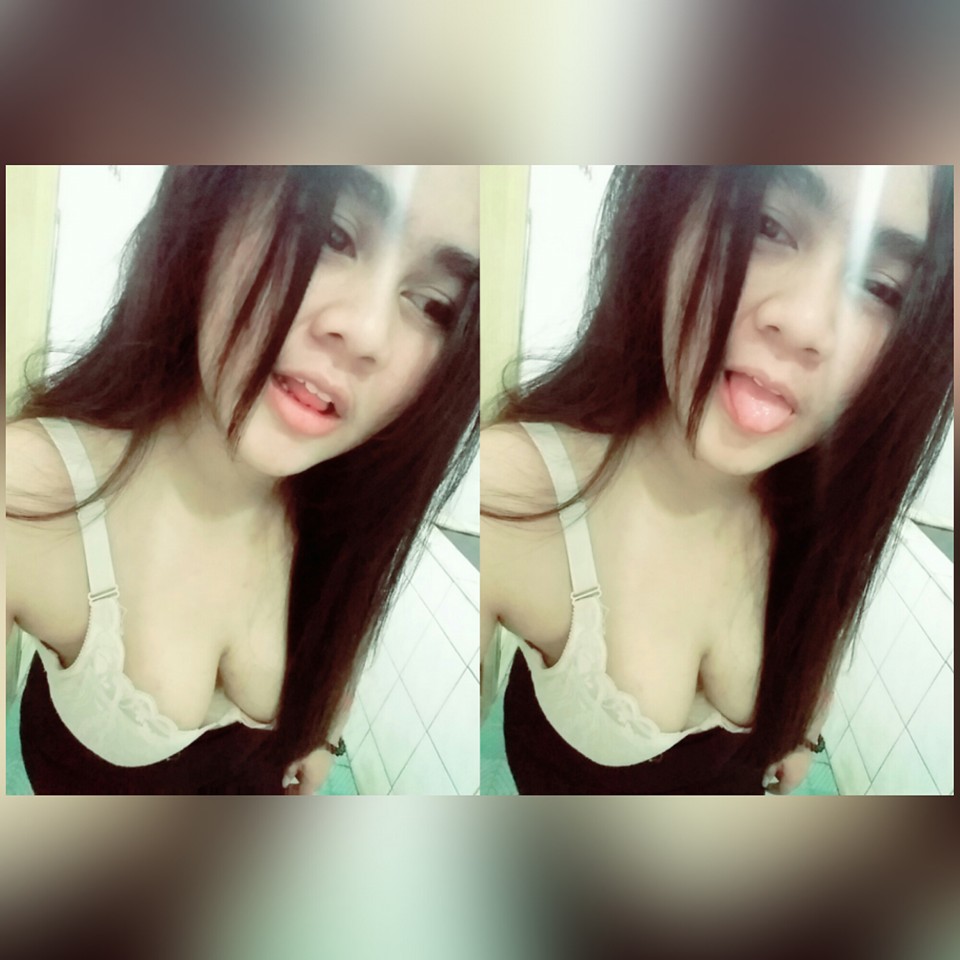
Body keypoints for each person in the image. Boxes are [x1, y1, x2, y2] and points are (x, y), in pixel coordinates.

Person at [7, 165, 480, 794]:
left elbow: (344, 627)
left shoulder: (346, 507)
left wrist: (321, 732)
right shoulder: (30, 490)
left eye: (434, 305)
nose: (366, 334)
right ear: (213, 202)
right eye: (331, 234)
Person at [481, 165, 952, 795]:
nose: (806, 326)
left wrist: (801, 727)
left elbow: (822, 617)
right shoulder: (512, 489)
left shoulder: (824, 503)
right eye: (768, 225)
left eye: (881, 288)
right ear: (667, 209)